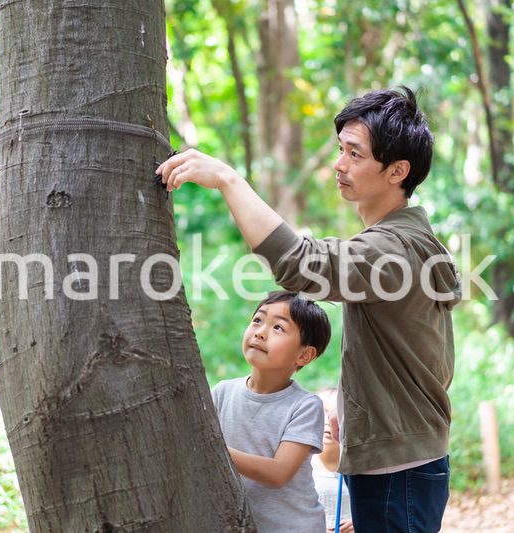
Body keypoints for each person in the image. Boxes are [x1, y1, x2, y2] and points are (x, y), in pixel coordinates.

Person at [157, 86, 462, 532]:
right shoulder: (408, 243)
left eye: (355, 155)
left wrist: (228, 179)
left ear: (398, 170)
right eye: (341, 150)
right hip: (401, 460)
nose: (339, 164)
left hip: (399, 469)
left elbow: (299, 264)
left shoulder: (392, 250)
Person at [211, 291, 332, 532]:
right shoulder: (222, 392)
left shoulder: (305, 405)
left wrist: (213, 449)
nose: (260, 332)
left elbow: (278, 472)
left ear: (304, 355)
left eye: (278, 327)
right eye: (258, 320)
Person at [313, 388, 354, 533]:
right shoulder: (299, 465)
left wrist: (360, 523)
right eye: (322, 411)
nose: (328, 420)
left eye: (336, 413)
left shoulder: (361, 466)